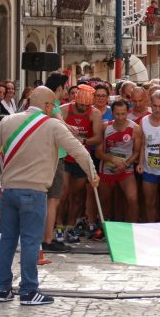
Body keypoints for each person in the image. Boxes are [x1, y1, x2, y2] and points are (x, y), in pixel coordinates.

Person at [0, 86, 98, 306]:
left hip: (9, 191)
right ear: (47, 106)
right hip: (34, 192)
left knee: (7, 240)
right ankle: (28, 291)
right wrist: (92, 174)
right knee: (30, 242)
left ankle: (3, 289)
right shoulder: (53, 125)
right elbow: (78, 150)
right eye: (53, 105)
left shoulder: (7, 121)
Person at [58, 85, 103, 242]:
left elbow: (98, 138)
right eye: (81, 105)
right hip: (64, 156)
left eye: (87, 105)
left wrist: (83, 140)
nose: (84, 108)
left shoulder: (94, 113)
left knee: (76, 196)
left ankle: (70, 228)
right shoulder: (64, 110)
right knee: (62, 194)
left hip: (81, 159)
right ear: (75, 100)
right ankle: (58, 227)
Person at [96, 100, 141, 222]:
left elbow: (137, 152)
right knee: (104, 199)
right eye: (117, 114)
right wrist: (112, 159)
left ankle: (132, 227)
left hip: (126, 168)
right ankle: (105, 226)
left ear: (128, 112)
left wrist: (125, 164)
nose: (120, 117)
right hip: (107, 168)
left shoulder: (135, 128)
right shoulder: (105, 127)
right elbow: (98, 153)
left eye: (123, 114)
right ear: (112, 113)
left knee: (132, 199)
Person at [41, 72, 72, 253]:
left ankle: (45, 236)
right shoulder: (53, 106)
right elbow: (60, 124)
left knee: (49, 199)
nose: (66, 90)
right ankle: (48, 238)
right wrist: (71, 130)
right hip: (55, 157)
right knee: (53, 200)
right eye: (65, 87)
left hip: (49, 154)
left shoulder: (49, 104)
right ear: (58, 88)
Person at [137, 91, 160, 222]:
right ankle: (152, 228)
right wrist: (140, 163)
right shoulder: (144, 121)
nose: (157, 109)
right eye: (154, 106)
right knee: (149, 201)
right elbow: (143, 144)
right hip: (149, 168)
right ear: (150, 105)